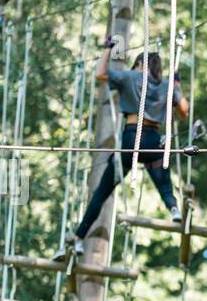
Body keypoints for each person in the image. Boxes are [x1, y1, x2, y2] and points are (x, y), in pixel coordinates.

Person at [70, 42, 189, 254]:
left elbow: (100, 74)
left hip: (131, 139)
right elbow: (184, 112)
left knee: (102, 193)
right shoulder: (167, 84)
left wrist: (108, 48)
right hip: (154, 142)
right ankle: (174, 209)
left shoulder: (131, 76)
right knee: (165, 187)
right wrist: (176, 86)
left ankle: (79, 237)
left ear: (141, 64)